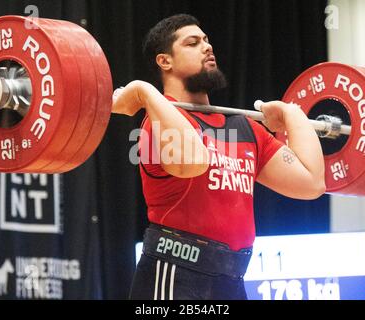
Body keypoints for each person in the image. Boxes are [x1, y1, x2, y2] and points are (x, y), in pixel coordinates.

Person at [111, 14, 325, 300]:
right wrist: (145, 92)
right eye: (193, 42)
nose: (207, 47)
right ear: (165, 61)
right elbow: (194, 161)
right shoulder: (157, 124)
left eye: (207, 40)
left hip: (232, 279)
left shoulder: (244, 128)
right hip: (175, 275)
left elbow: (311, 182)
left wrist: (292, 114)